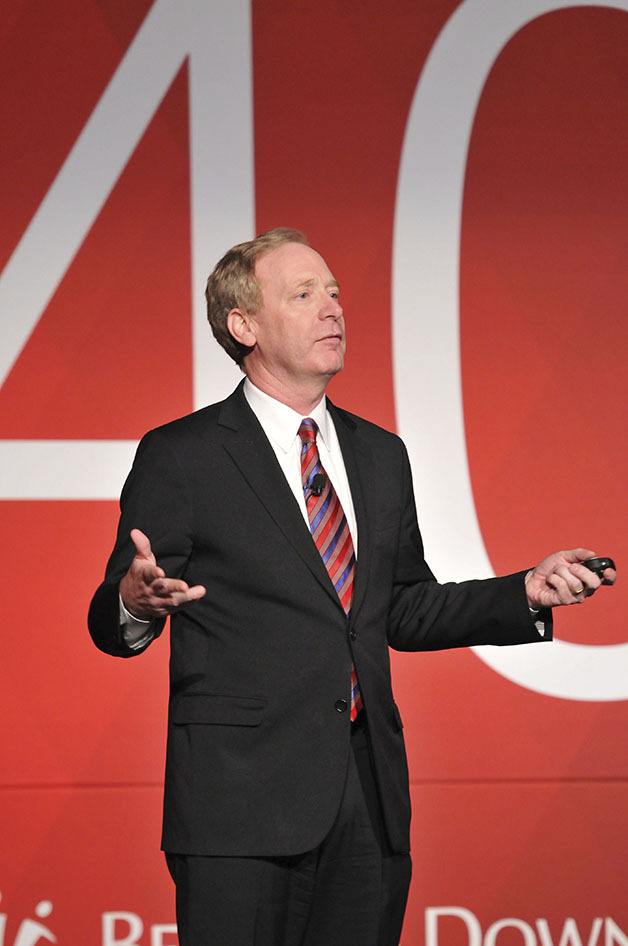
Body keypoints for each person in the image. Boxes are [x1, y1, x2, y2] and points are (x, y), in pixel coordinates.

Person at [88, 227, 615, 946]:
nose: (332, 308)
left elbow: (399, 607)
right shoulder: (184, 455)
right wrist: (135, 600)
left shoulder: (379, 454)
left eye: (334, 291)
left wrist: (524, 590)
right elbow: (109, 620)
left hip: (367, 799)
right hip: (239, 807)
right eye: (303, 294)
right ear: (243, 325)